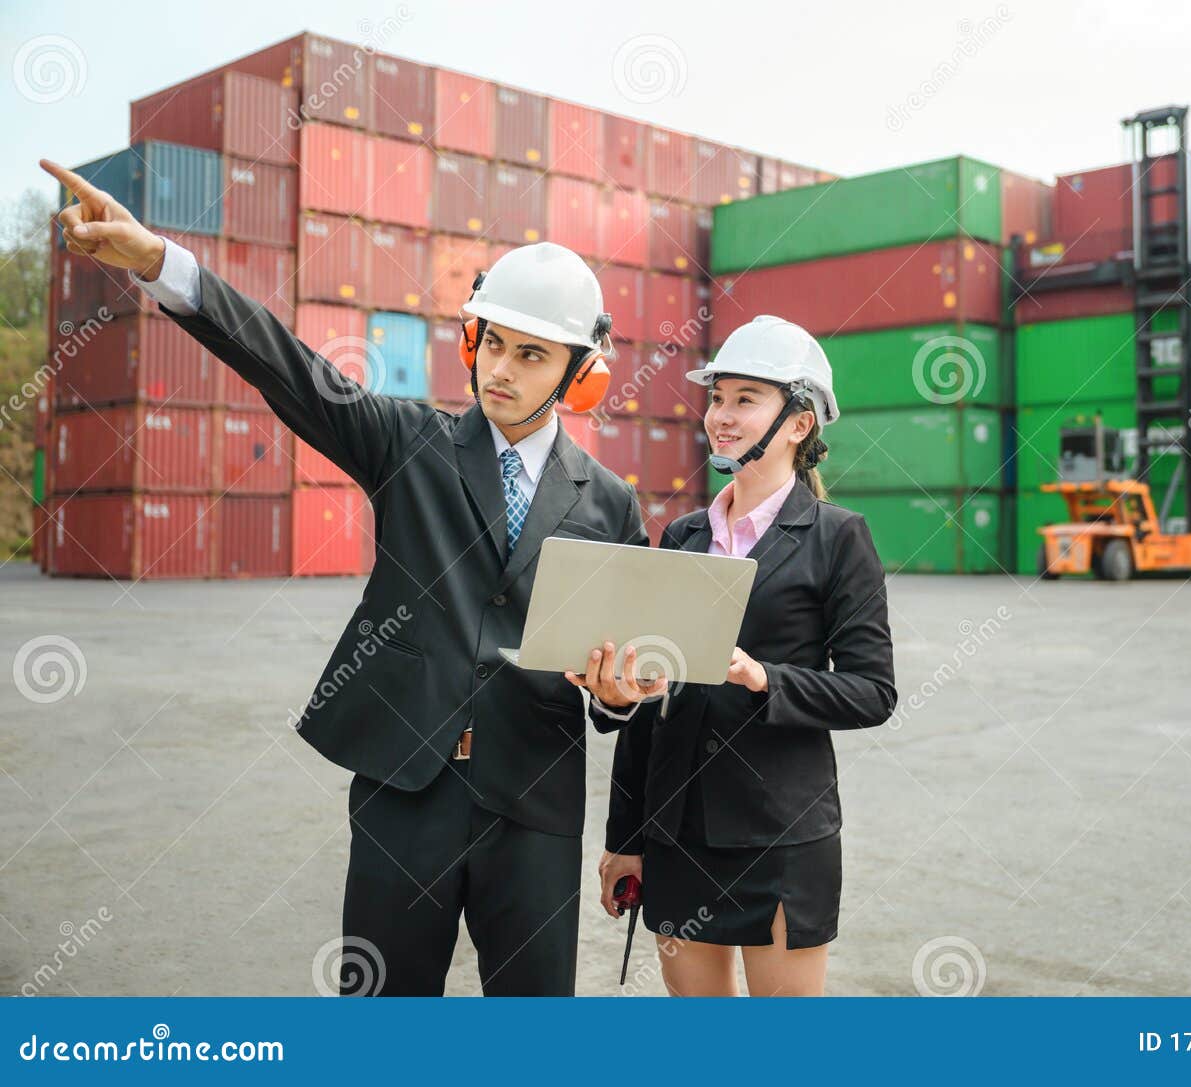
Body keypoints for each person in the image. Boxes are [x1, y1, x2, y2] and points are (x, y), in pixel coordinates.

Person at [43, 158, 668, 997]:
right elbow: (288, 367)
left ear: (580, 373)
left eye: (531, 353)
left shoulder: (614, 504)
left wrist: (619, 695)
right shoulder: (409, 445)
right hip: (406, 795)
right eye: (492, 342)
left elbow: (613, 685)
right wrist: (160, 262)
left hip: (535, 811)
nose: (501, 370)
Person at [567, 315, 898, 997]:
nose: (721, 414)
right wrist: (626, 833)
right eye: (718, 397)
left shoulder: (838, 538)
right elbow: (645, 713)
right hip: (677, 832)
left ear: (799, 423)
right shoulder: (683, 536)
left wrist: (763, 678)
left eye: (746, 399)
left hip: (782, 838)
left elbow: (873, 691)